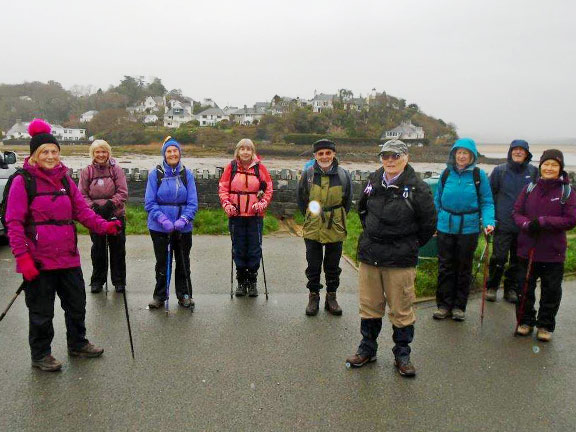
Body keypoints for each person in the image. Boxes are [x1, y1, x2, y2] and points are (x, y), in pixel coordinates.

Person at [4, 119, 122, 372]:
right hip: (38, 261)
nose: (50, 156)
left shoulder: (65, 180)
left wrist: (104, 226)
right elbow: (13, 223)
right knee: (41, 312)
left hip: (68, 257)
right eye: (44, 152)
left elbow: (82, 211)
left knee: (77, 305)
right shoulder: (22, 182)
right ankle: (41, 354)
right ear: (34, 155)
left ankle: (78, 343)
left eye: (54, 151)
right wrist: (22, 258)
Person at [345, 140, 436, 376]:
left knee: (402, 309)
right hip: (371, 255)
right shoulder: (373, 181)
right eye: (385, 156)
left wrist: (409, 244)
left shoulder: (418, 188)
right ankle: (367, 348)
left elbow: (428, 224)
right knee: (369, 307)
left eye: (395, 156)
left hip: (400, 259)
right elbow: (362, 210)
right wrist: (373, 234)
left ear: (406, 158)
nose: (390, 160)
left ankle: (402, 354)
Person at [512, 150, 576, 342]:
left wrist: (544, 222)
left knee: (551, 291)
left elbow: (571, 220)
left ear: (560, 168)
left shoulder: (568, 192)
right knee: (524, 289)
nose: (549, 168)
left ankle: (545, 325)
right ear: (540, 166)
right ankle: (525, 321)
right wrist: (525, 224)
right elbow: (516, 212)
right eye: (546, 164)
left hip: (553, 252)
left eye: (554, 165)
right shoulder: (529, 188)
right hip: (527, 250)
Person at [433, 138, 495, 321]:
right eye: (458, 152)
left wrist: (489, 222)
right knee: (445, 266)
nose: (461, 156)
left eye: (465, 153)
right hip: (445, 226)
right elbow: (437, 200)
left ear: (472, 156)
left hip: (468, 228)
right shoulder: (446, 174)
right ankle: (443, 305)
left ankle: (459, 307)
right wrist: (434, 223)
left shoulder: (478, 176)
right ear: (453, 154)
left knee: (463, 267)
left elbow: (487, 201)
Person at [297, 139, 352, 316]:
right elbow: (301, 199)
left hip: (335, 226)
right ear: (315, 156)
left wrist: (336, 216)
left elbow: (347, 202)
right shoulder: (308, 174)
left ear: (334, 154)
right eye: (320, 153)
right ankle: (313, 296)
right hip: (313, 225)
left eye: (328, 152)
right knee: (313, 265)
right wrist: (310, 216)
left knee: (332, 265)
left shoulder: (343, 175)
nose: (324, 156)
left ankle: (331, 297)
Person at [145, 137, 198, 309]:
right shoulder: (155, 174)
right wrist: (163, 220)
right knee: (162, 262)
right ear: (164, 154)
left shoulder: (186, 174)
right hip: (159, 227)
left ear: (180, 153)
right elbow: (150, 203)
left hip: (183, 227)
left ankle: (184, 294)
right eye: (169, 151)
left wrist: (184, 219)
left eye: (175, 151)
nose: (172, 154)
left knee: (183, 262)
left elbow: (193, 202)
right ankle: (160, 295)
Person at [218, 139, 273, 297]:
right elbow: (223, 188)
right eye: (242, 149)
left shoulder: (260, 168)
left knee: (255, 249)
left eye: (248, 149)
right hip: (236, 215)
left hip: (255, 216)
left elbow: (268, 188)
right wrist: (227, 205)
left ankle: (252, 280)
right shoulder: (231, 167)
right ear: (238, 151)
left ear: (253, 151)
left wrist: (262, 204)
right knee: (239, 248)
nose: (245, 152)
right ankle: (241, 280)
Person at [486, 140, 538, 303]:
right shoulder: (499, 171)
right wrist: (490, 218)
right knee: (499, 258)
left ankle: (510, 289)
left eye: (521, 150)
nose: (518, 152)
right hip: (503, 223)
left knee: (517, 261)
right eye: (515, 149)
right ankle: (492, 287)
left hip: (524, 226)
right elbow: (490, 196)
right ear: (510, 152)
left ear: (527, 153)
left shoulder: (534, 172)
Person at [79, 140, 128, 294]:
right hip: (95, 217)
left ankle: (119, 281)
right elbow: (82, 194)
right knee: (98, 250)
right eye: (97, 152)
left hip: (115, 214)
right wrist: (93, 208)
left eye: (104, 151)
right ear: (92, 153)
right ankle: (97, 281)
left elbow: (123, 192)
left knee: (118, 249)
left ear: (108, 153)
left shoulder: (116, 170)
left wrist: (111, 204)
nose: (101, 155)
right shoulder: (87, 171)